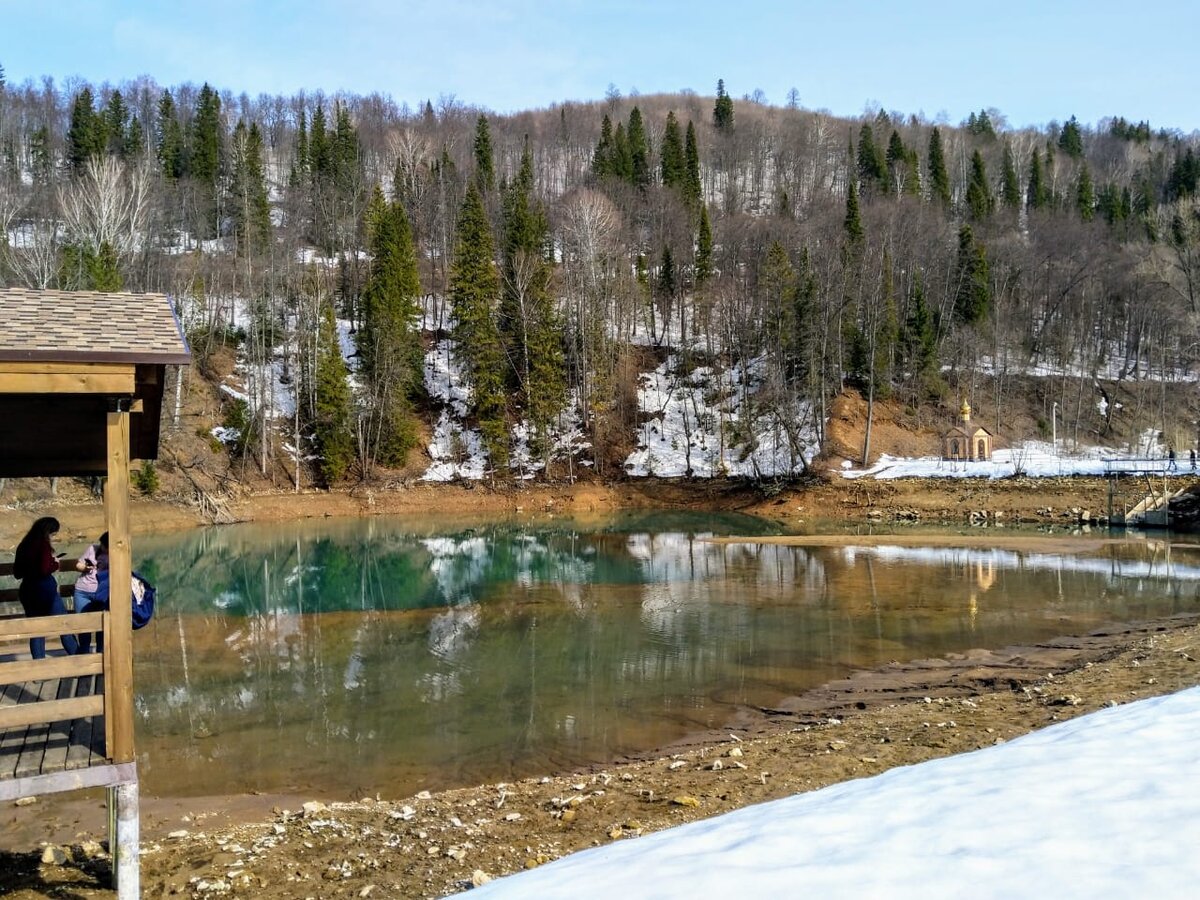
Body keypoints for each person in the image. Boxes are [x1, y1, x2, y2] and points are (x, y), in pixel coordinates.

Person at [12, 517, 79, 658]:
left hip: (27, 590)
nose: (53, 537)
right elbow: (44, 569)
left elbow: (17, 573)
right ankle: (78, 658)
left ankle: (39, 667)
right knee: (64, 624)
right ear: (47, 532)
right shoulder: (43, 545)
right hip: (44, 590)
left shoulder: (23, 545)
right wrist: (55, 563)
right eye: (53, 534)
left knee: (37, 631)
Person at [73, 532, 108, 653]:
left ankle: (101, 658)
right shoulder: (92, 549)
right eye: (102, 544)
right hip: (82, 591)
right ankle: (84, 658)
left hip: (101, 594)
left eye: (106, 546)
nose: (103, 547)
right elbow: (78, 564)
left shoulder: (116, 555)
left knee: (102, 627)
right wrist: (85, 568)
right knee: (83, 627)